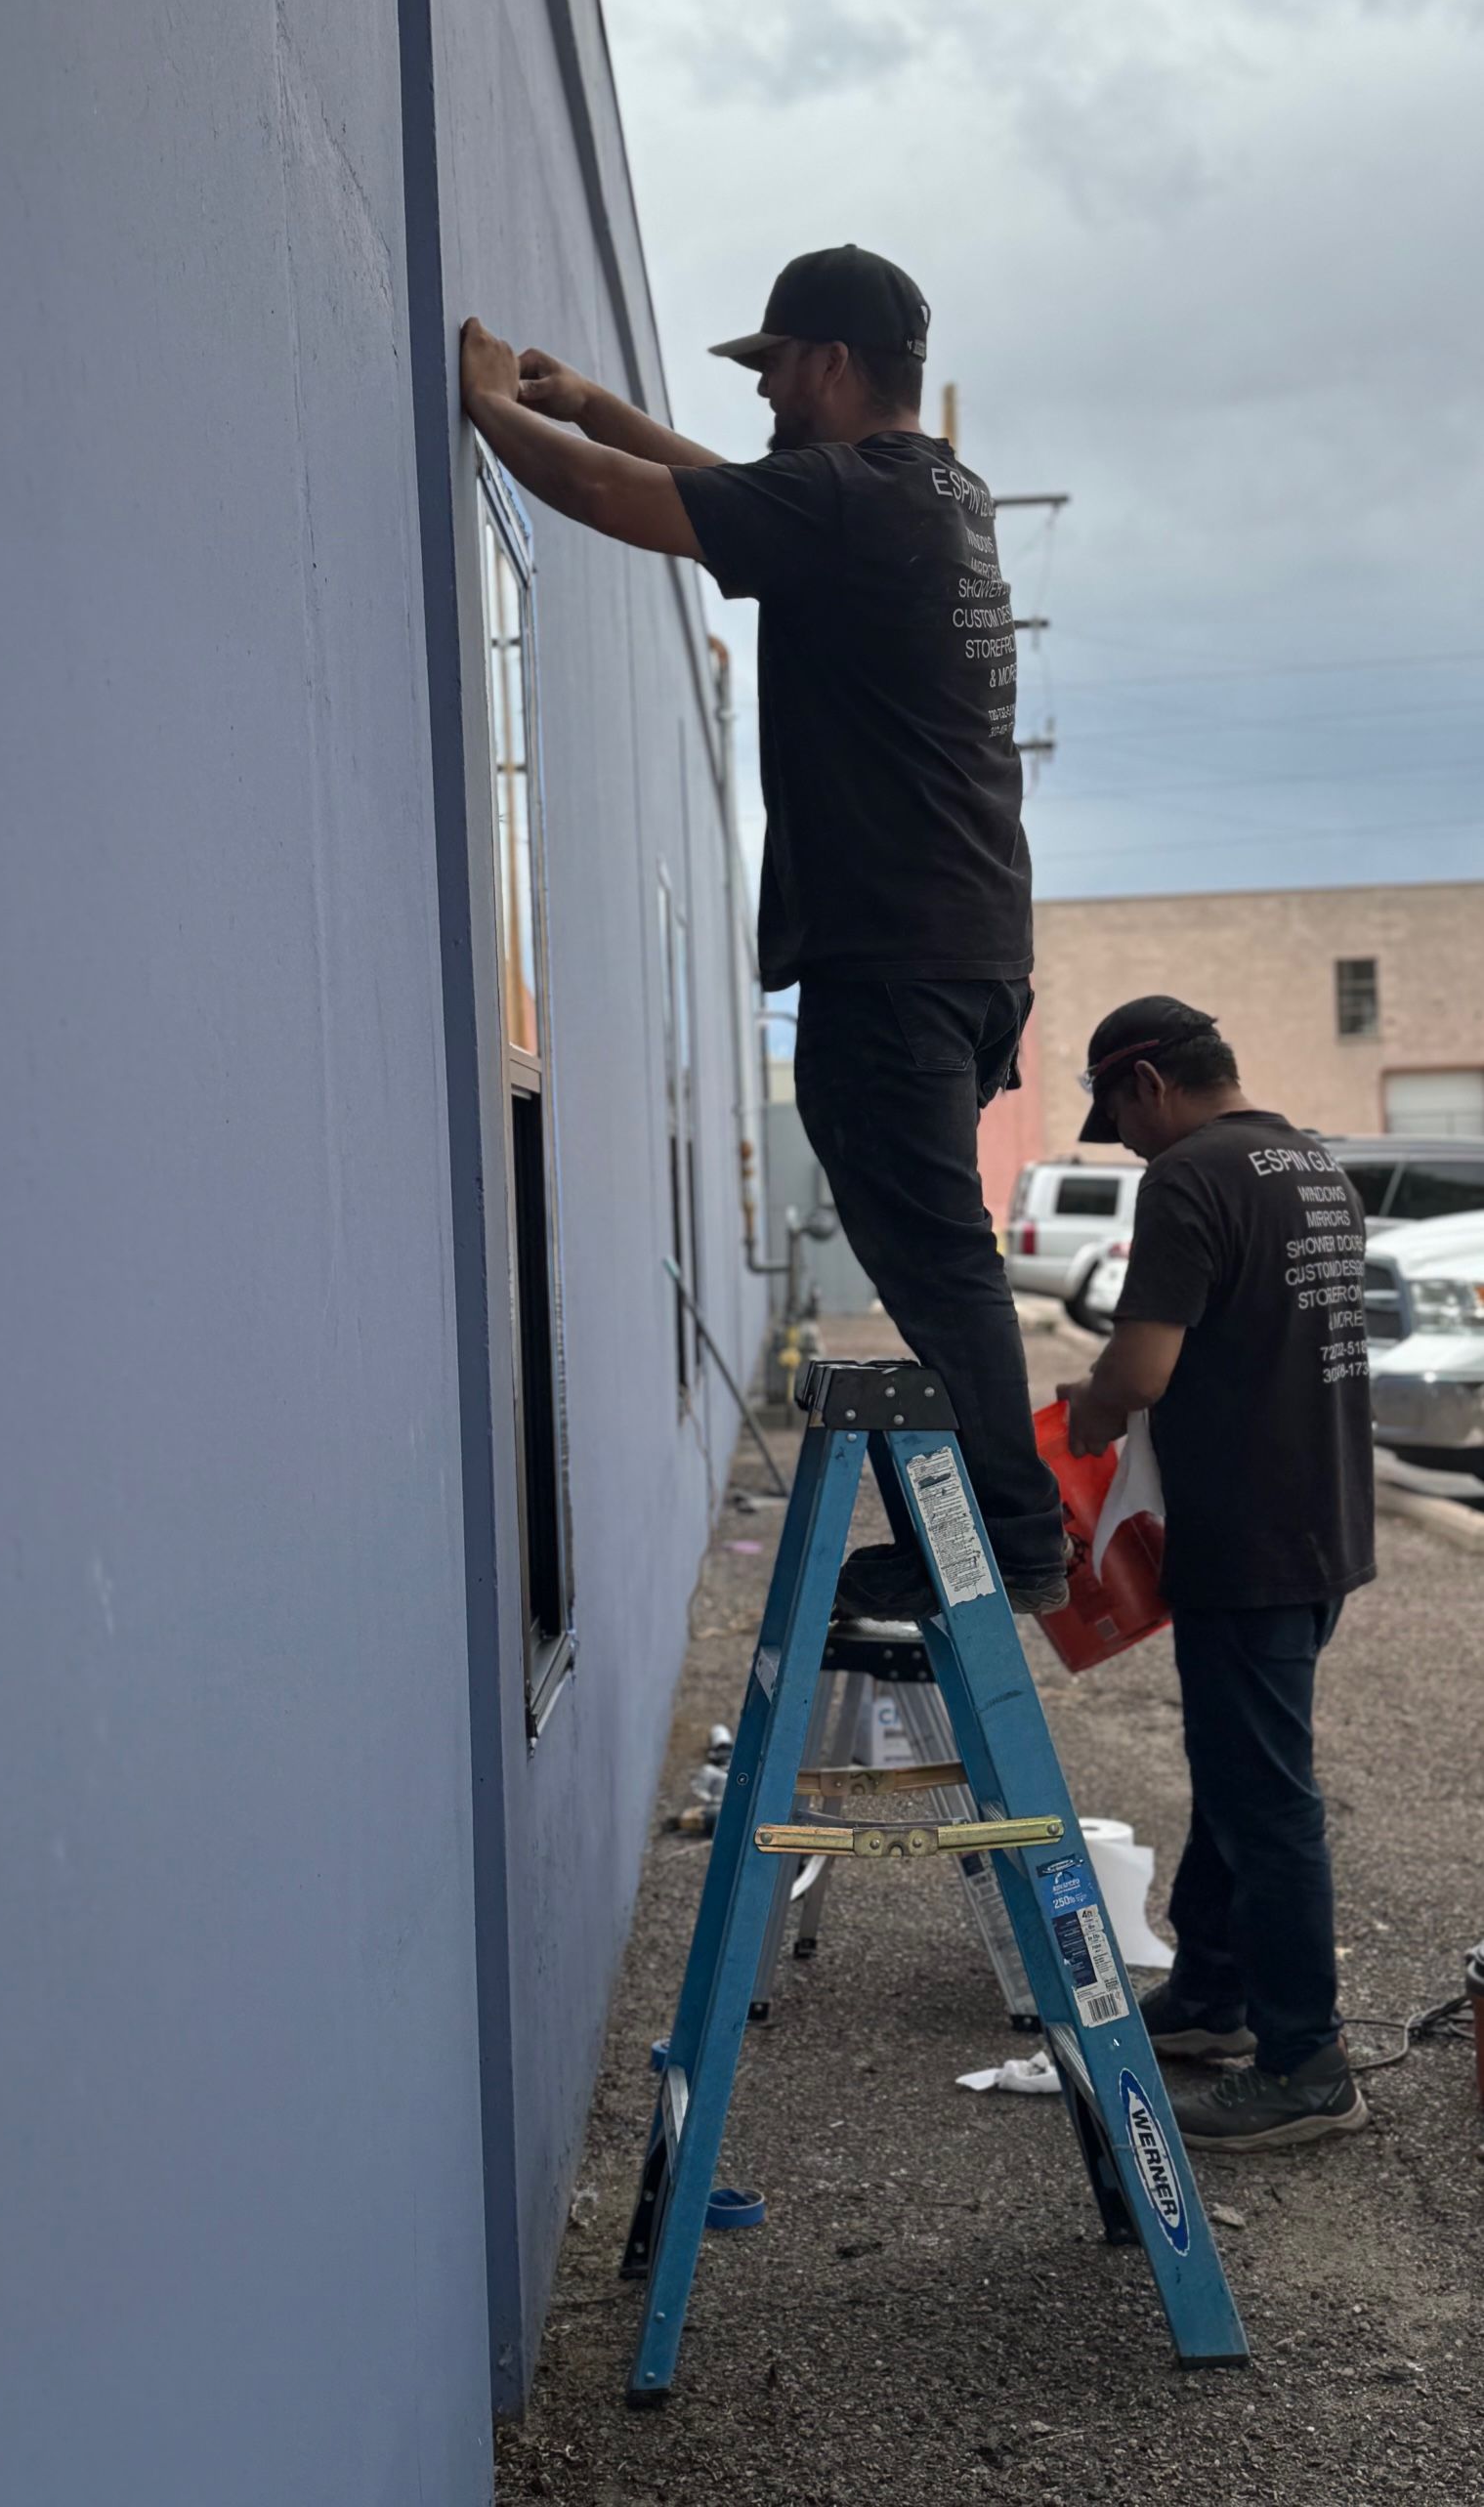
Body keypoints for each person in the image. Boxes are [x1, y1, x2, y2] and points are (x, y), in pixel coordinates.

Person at [459, 245, 1066, 1616]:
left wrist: (496, 412)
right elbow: (731, 497)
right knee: (926, 1242)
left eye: (775, 366)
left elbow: (640, 506)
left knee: (933, 1253)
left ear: (835, 364)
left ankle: (1013, 1546)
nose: (765, 393)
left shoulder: (855, 503)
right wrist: (597, 405)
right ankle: (989, 1532)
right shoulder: (932, 494)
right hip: (961, 949)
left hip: (896, 952)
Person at [1060, 996, 1374, 2152]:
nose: (1128, 1143)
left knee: (1267, 1796)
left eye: (1119, 1118)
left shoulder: (1189, 1175)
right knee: (1236, 1768)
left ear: (1146, 1083)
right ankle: (1211, 1997)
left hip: (1246, 1536)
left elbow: (1139, 1370)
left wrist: (1081, 1421)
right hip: (1319, 1525)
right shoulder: (1314, 1166)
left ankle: (1305, 2065)